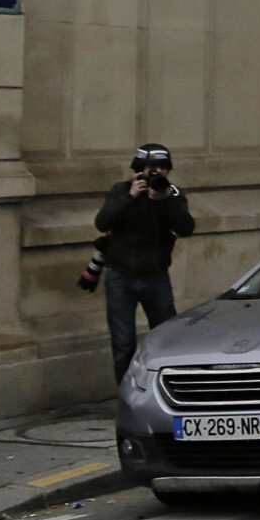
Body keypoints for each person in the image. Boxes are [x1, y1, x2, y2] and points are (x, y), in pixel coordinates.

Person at [91, 144, 196, 380]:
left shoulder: (173, 194)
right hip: (120, 278)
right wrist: (130, 197)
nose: (157, 172)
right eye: (151, 168)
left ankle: (166, 391)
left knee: (168, 341)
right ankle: (127, 398)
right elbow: (102, 223)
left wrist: (165, 200)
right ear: (139, 170)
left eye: (162, 168)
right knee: (123, 345)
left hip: (155, 277)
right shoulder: (121, 190)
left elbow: (186, 228)